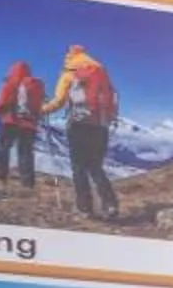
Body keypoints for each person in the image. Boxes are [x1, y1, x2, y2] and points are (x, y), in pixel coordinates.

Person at [44, 43, 121, 220]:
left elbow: (59, 102)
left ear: (70, 57)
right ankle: (110, 205)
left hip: (78, 126)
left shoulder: (68, 74)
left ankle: (85, 209)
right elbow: (112, 98)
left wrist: (42, 109)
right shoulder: (101, 74)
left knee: (79, 168)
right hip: (100, 126)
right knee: (95, 167)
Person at [0, 59, 43, 187]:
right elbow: (39, 106)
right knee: (25, 152)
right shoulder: (35, 85)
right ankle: (27, 182)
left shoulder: (10, 83)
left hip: (11, 121)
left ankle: (0, 175)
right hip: (29, 124)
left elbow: (3, 103)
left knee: (2, 148)